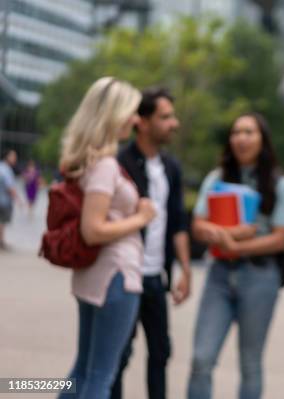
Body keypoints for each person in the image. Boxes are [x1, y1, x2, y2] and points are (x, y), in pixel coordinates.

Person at [58, 77, 156, 399]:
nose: (136, 120)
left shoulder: (89, 162)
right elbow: (93, 229)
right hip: (115, 275)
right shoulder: (105, 166)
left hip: (95, 276)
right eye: (131, 112)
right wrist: (140, 218)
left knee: (84, 371)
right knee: (101, 376)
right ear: (113, 115)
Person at [188, 112, 284, 399]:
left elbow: (281, 238)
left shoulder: (279, 184)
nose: (241, 138)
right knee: (201, 359)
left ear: (263, 139)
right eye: (236, 132)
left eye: (249, 132)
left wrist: (238, 246)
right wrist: (232, 235)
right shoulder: (216, 178)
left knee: (250, 363)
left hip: (260, 278)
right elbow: (198, 225)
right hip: (219, 275)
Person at [112, 87, 191, 399]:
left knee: (160, 353)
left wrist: (185, 269)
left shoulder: (171, 167)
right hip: (124, 277)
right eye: (166, 116)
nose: (175, 123)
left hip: (156, 278)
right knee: (117, 357)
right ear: (142, 122)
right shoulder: (120, 163)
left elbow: (177, 222)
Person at [0, 149, 18, 249]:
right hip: (3, 201)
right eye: (13, 156)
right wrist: (18, 200)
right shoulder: (6, 169)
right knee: (2, 221)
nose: (15, 159)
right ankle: (1, 241)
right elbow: (9, 186)